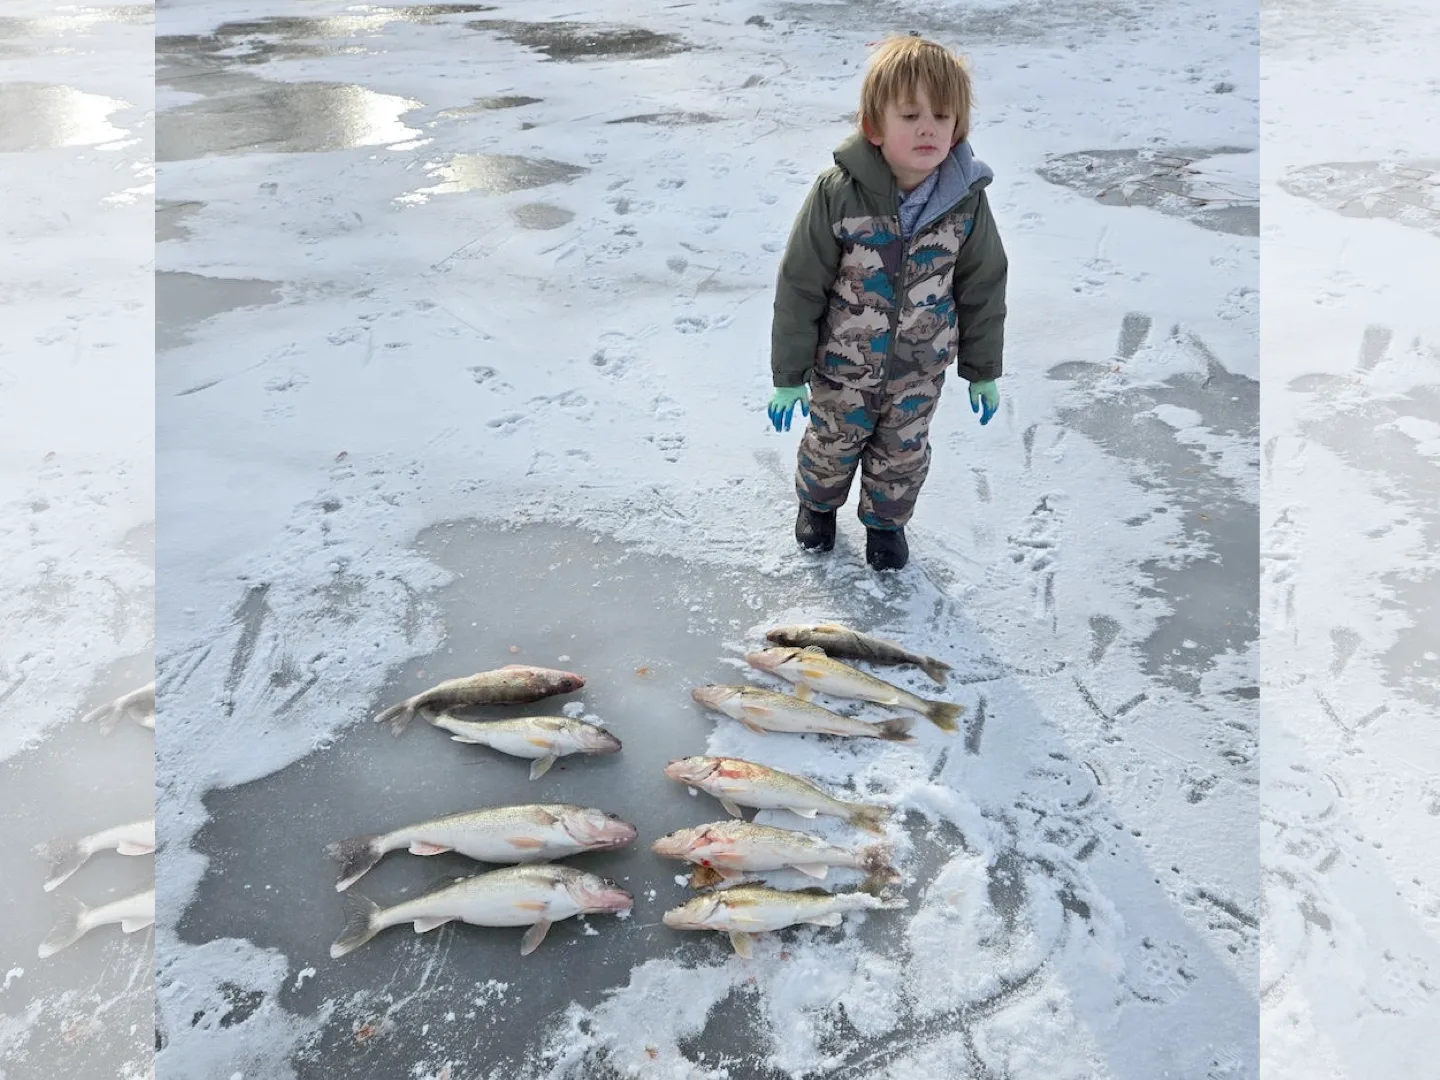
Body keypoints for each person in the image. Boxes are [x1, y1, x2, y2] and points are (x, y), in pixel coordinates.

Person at [767, 34, 1008, 571]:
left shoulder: (966, 201)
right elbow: (801, 282)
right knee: (832, 442)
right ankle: (818, 506)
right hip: (842, 365)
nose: (929, 128)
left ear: (959, 128)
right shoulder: (838, 193)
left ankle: (886, 524)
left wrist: (983, 367)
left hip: (920, 368)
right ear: (874, 128)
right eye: (910, 115)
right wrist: (789, 374)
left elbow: (983, 282)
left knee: (902, 453)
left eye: (942, 116)